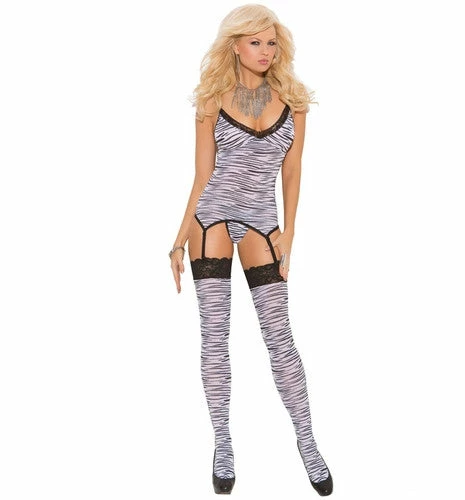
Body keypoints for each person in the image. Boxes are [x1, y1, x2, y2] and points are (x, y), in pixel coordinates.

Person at [169, 4, 333, 496]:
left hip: (264, 222)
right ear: (235, 45)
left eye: (272, 43)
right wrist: (178, 237)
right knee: (215, 337)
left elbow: (293, 171)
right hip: (210, 221)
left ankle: (308, 442)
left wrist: (290, 232)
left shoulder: (294, 101)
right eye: (255, 42)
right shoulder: (211, 100)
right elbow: (202, 176)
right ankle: (222, 443)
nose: (265, 51)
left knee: (280, 337)